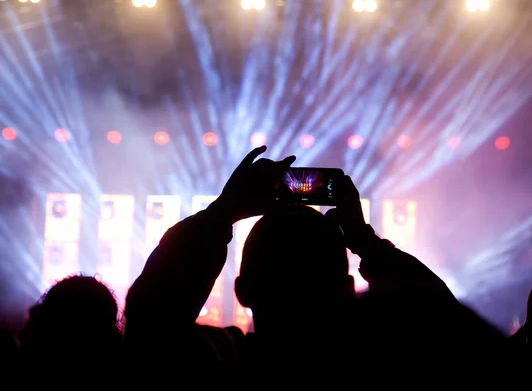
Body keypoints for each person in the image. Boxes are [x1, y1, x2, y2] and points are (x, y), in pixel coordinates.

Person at [124, 146, 505, 372]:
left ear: (243, 290)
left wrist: (222, 213)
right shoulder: (396, 373)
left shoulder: (216, 368)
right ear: (347, 287)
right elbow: (443, 319)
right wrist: (363, 240)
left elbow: (149, 327)